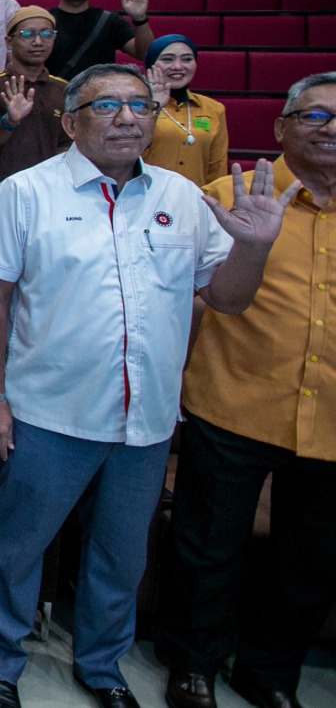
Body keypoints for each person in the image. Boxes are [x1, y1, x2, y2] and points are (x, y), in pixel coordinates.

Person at [0, 64, 293, 708]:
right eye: (107, 106)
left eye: (140, 106)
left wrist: (254, 248)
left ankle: (101, 664)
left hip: (144, 418)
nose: (127, 118)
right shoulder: (26, 193)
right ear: (70, 122)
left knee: (120, 556)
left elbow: (226, 298)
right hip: (46, 412)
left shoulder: (182, 196)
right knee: (16, 545)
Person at [158, 72, 336, 708]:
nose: (330, 128)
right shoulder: (222, 197)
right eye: (315, 115)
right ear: (281, 127)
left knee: (310, 559)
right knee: (208, 547)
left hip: (330, 418)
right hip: (233, 401)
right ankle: (193, 664)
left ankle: (270, 674)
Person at [0, 7, 72, 199]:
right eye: (28, 34)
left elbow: (66, 146)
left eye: (46, 34)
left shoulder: (63, 89)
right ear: (9, 42)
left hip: (47, 192)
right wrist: (9, 121)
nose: (38, 42)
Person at [45, 0, 154, 81]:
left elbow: (145, 54)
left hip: (99, 91)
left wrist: (140, 18)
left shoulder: (110, 21)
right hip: (52, 91)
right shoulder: (44, 20)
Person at [141, 35, 229, 188]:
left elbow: (217, 168)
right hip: (144, 196)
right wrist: (153, 107)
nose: (177, 66)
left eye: (187, 59)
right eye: (167, 59)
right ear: (151, 64)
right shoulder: (135, 105)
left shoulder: (214, 109)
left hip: (195, 199)